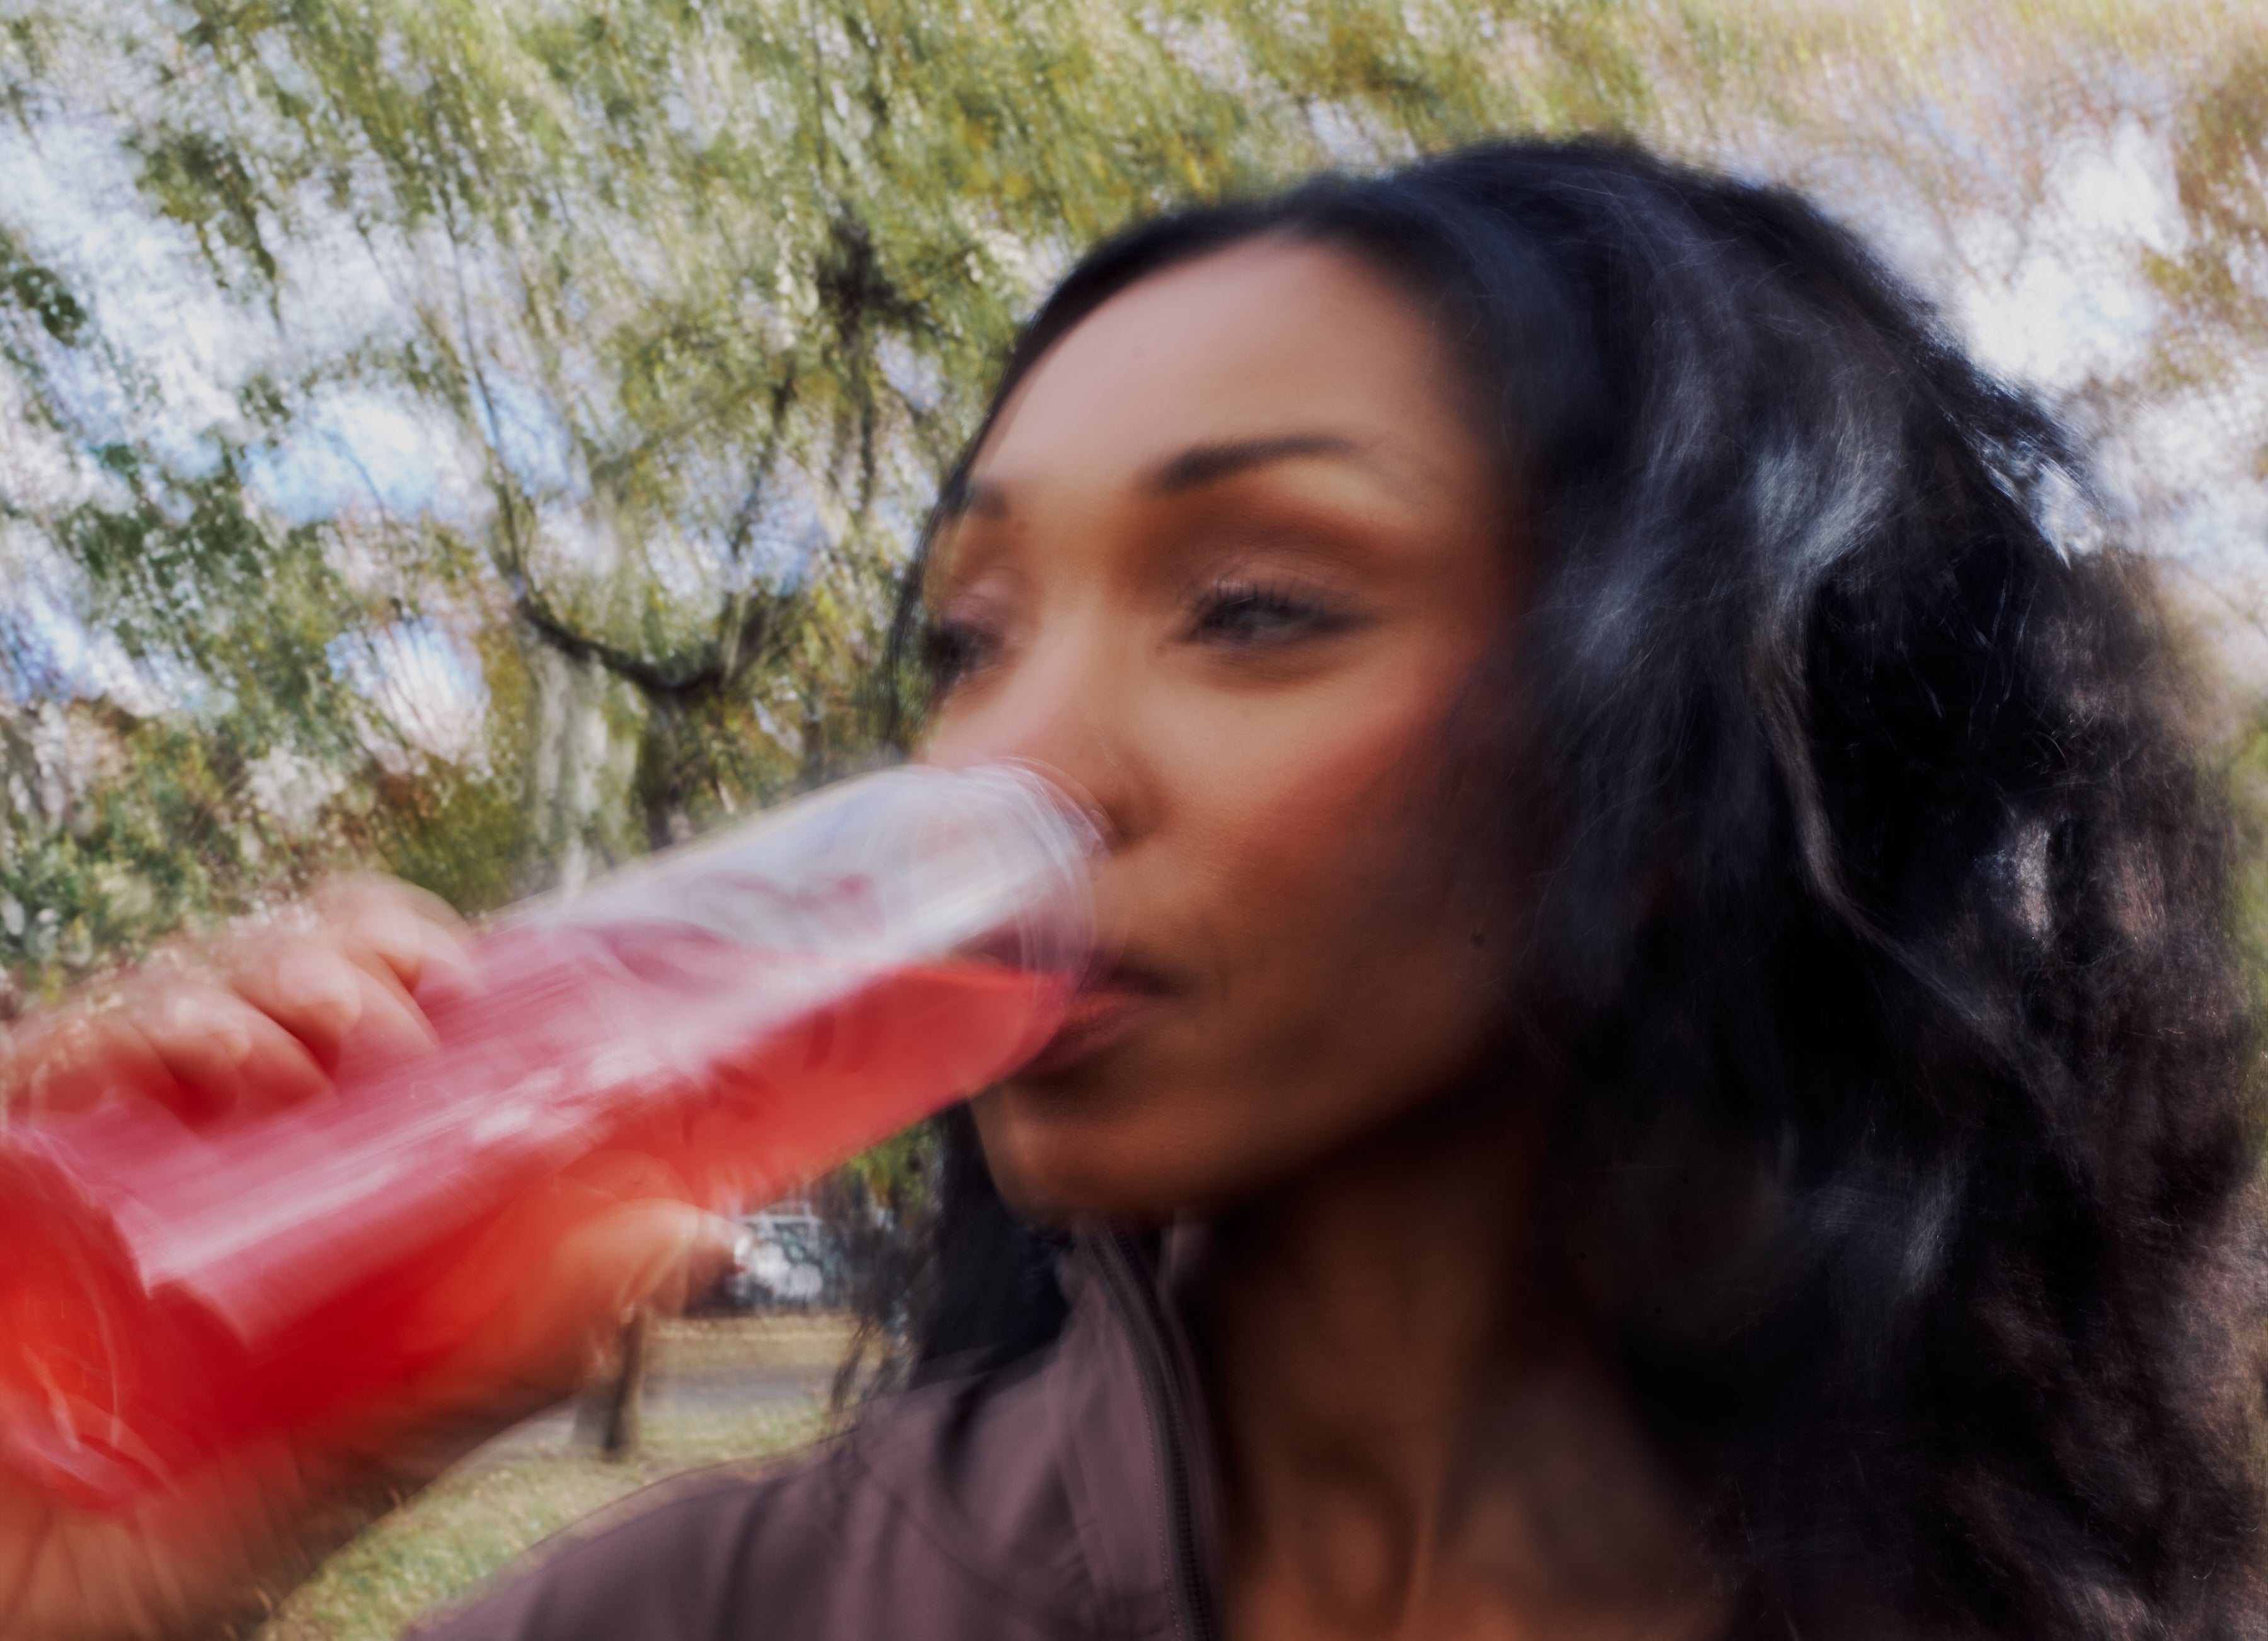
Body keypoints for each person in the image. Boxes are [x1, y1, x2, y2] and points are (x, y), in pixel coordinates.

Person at [5, 137, 2264, 1641]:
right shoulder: (734, 1608)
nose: (1012, 768)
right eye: (973, 639)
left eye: (1259, 602)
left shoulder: (2099, 1577)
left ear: (1673, 780)